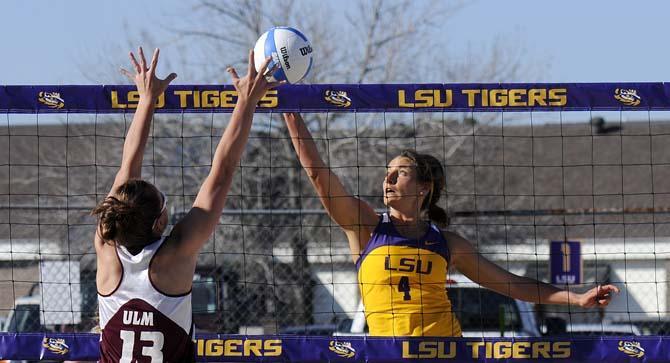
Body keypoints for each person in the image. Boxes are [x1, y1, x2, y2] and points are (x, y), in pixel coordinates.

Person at [282, 112, 620, 337]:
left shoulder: (447, 242)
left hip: (445, 352)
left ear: (423, 188)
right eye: (387, 170)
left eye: (399, 172)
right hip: (386, 354)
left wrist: (576, 299)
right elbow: (318, 175)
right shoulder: (366, 226)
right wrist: (291, 111)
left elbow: (512, 285)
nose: (386, 178)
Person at [91, 46, 280, 362]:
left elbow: (127, 168)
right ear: (160, 222)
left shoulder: (106, 248)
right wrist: (247, 102)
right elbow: (220, 173)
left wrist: (146, 99)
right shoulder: (174, 255)